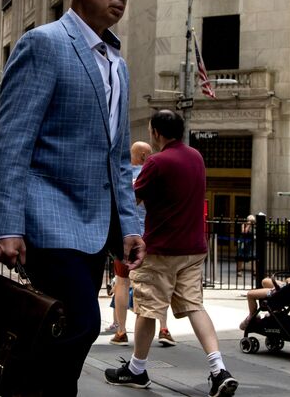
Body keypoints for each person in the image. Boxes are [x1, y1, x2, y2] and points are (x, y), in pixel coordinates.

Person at [0, 0, 146, 396]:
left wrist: (131, 225)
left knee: (59, 328)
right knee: (82, 320)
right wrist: (5, 224)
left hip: (94, 226)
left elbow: (118, 156)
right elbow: (12, 140)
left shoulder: (117, 63)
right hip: (47, 216)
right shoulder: (44, 44)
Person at [105, 110, 238, 397]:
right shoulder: (196, 157)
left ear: (155, 133)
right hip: (193, 248)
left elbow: (133, 198)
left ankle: (137, 370)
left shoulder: (157, 162)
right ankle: (218, 370)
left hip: (161, 250)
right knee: (195, 306)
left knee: (147, 310)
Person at [110, 141, 174, 347]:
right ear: (146, 157)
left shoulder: (122, 177)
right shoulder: (156, 176)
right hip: (151, 239)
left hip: (127, 238)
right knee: (158, 284)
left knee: (122, 282)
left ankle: (121, 331)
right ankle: (163, 329)